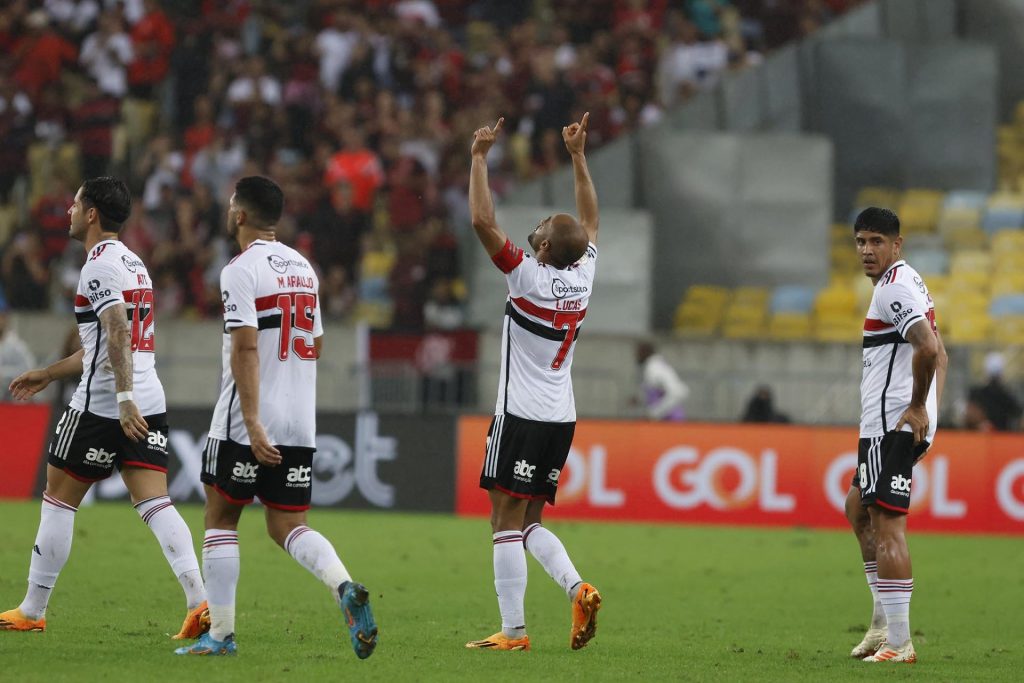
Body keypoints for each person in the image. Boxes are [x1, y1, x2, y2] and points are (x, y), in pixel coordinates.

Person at [174, 176, 377, 658]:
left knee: (221, 517)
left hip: (249, 420)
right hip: (300, 421)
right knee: (288, 524)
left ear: (240, 216)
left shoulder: (239, 270)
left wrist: (252, 419)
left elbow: (245, 346)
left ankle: (220, 636)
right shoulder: (304, 268)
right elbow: (318, 344)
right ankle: (343, 585)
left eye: (230, 206)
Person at [2, 176, 209, 640]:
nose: (70, 212)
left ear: (91, 213)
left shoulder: (97, 266)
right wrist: (49, 373)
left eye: (75, 204)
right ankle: (200, 603)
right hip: (148, 399)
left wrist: (121, 399)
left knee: (58, 498)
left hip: (104, 404)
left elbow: (116, 333)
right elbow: (106, 344)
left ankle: (33, 610)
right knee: (156, 501)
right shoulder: (136, 264)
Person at [464, 114, 602, 652]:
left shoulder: (527, 276)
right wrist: (578, 157)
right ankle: (577, 587)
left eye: (543, 226)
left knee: (504, 520)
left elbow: (481, 219)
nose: (538, 226)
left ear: (543, 249)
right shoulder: (583, 273)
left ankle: (514, 631)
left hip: (520, 414)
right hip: (560, 417)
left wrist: (479, 157)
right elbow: (590, 220)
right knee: (531, 521)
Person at [843, 207, 947, 664]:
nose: (867, 250)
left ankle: (900, 642)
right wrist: (931, 407)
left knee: (887, 525)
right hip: (885, 422)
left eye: (877, 242)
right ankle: (883, 622)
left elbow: (929, 348)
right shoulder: (906, 282)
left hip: (895, 423)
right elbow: (940, 355)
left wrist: (921, 407)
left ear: (896, 245)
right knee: (858, 510)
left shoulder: (893, 289)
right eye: (861, 241)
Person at [635, 341, 689, 421]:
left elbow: (678, 392)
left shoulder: (654, 368)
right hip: (665, 419)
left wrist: (654, 413)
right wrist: (640, 400)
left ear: (645, 352)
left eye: (639, 353)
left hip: (671, 420)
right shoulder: (654, 366)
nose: (636, 356)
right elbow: (656, 393)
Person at [970, 352, 1022, 431]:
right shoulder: (1006, 396)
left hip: (981, 439)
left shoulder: (977, 394)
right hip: (1002, 439)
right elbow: (1017, 412)